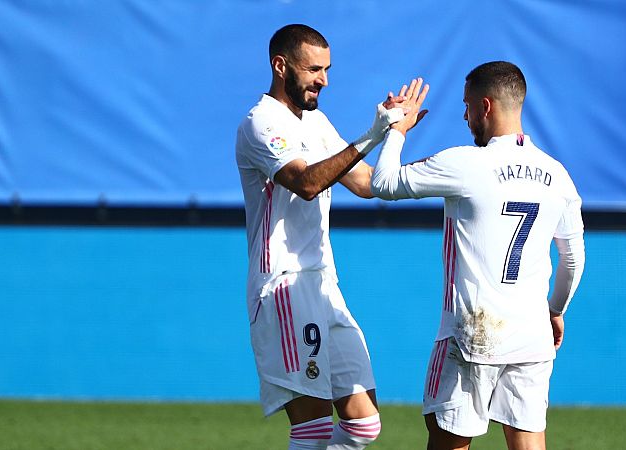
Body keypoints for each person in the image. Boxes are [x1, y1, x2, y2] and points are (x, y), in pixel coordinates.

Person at [370, 62, 586, 450]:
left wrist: (397, 132)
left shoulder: (466, 162)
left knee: (449, 442)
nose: (464, 115)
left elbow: (383, 183)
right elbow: (573, 260)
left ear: (486, 106)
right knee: (529, 441)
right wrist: (555, 310)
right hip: (531, 334)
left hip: (471, 333)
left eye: (468, 105)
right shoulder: (558, 175)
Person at [235, 24, 413, 450]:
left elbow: (367, 182)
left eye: (327, 69)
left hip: (324, 284)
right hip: (285, 287)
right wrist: (372, 133)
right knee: (312, 430)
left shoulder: (315, 121)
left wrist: (397, 138)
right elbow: (307, 182)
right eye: (314, 69)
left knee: (362, 426)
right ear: (281, 66)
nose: (324, 80)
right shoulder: (261, 123)